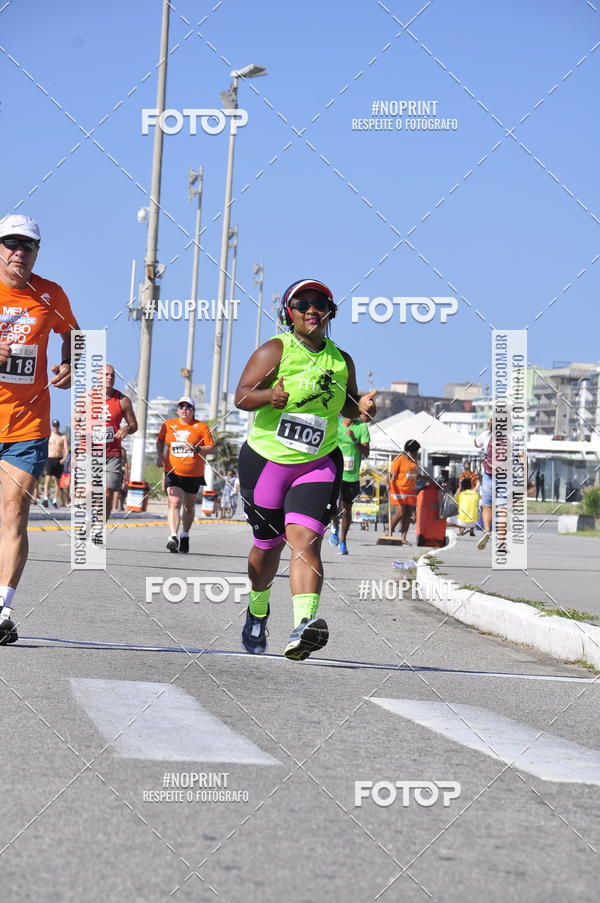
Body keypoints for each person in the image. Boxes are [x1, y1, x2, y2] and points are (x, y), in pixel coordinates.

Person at [234, 278, 376, 661]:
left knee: (306, 542)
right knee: (267, 546)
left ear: (330, 313)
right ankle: (257, 609)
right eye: (302, 304)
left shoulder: (341, 360)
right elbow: (241, 396)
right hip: (267, 462)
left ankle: (303, 626)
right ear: (289, 313)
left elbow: (346, 405)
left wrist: (361, 408)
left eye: (320, 304)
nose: (312, 309)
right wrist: (270, 395)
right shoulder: (275, 350)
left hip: (317, 463)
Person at [0, 214, 78, 644]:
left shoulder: (51, 294)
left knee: (14, 512)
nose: (19, 252)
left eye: (27, 245)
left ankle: (2, 609)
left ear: (37, 252)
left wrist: (68, 363)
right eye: (11, 243)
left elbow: (74, 336)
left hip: (26, 424)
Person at [156, 395, 215, 553]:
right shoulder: (168, 425)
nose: (184, 409)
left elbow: (212, 448)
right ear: (177, 409)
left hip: (194, 474)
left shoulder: (200, 427)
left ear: (193, 410)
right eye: (181, 406)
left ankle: (185, 534)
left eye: (188, 407)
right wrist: (159, 456)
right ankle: (173, 536)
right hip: (173, 472)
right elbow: (160, 440)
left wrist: (197, 449)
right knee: (174, 503)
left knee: (188, 507)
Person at [99, 364, 138, 520]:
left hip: (112, 454)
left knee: (107, 494)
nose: (109, 377)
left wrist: (127, 428)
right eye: (106, 374)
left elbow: (134, 425)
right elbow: (77, 420)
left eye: (112, 375)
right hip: (90, 452)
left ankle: (98, 527)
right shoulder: (87, 398)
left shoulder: (123, 400)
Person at [329, 415, 370, 554]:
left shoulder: (361, 427)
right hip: (335, 472)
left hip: (351, 477)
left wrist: (354, 439)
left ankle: (343, 541)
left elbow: (366, 452)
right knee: (333, 506)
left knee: (347, 510)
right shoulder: (335, 423)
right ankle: (334, 526)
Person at [388, 440, 421, 544]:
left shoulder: (414, 461)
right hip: (399, 490)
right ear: (409, 451)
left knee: (408, 514)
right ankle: (389, 532)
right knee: (400, 512)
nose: (416, 454)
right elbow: (390, 475)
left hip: (411, 491)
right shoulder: (399, 459)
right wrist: (389, 485)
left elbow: (415, 475)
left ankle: (403, 537)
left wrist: (426, 479)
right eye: (415, 452)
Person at [474, 418, 493, 549]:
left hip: (489, 475)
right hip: (505, 476)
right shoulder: (511, 435)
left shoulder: (486, 434)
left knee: (487, 506)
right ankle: (502, 536)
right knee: (503, 507)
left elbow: (475, 443)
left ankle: (487, 530)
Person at [41, 419, 68, 507]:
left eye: (57, 426)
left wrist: (64, 458)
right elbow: (44, 447)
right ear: (52, 426)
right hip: (49, 459)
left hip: (58, 459)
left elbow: (66, 450)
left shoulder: (62, 437)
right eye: (54, 426)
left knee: (57, 481)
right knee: (47, 479)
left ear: (59, 426)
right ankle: (45, 498)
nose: (55, 428)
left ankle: (55, 499)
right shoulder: (48, 435)